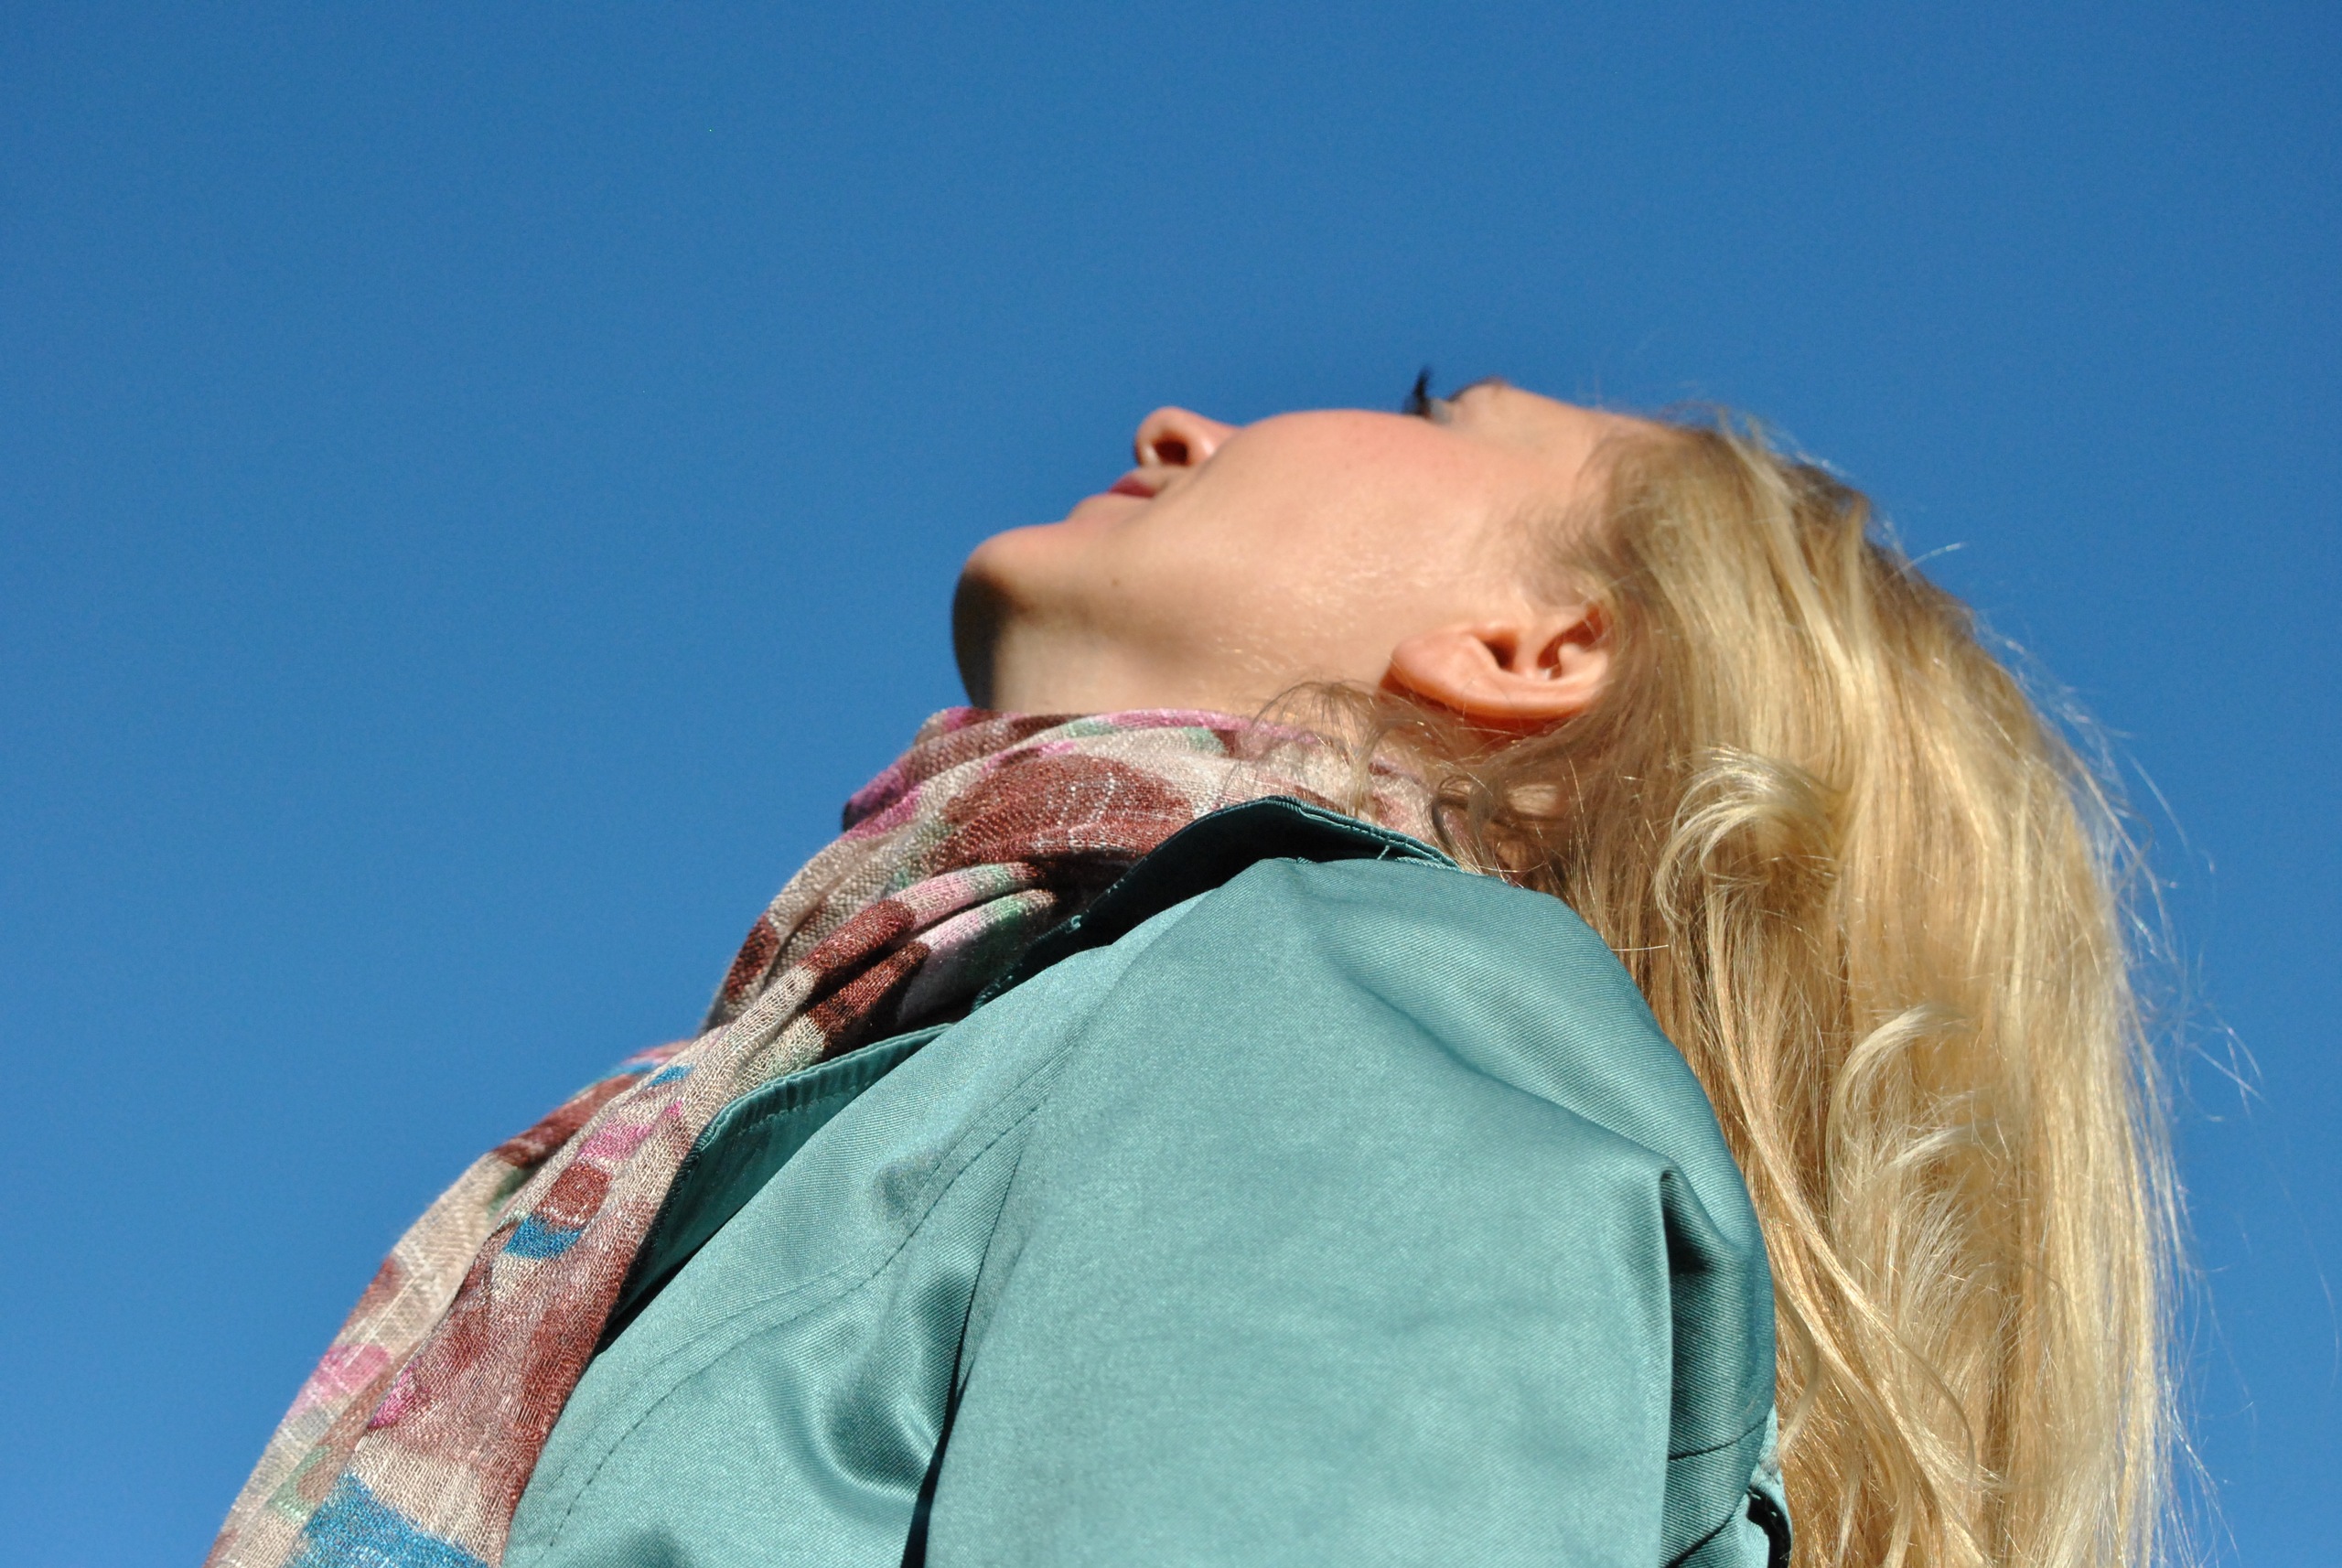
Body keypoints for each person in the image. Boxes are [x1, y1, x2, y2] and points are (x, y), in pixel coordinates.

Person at [208, 378, 2175, 1568]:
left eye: (1436, 415)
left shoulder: (1345, 1006)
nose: (1175, 424)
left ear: (1535, 646)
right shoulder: (1092, 1031)